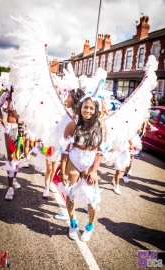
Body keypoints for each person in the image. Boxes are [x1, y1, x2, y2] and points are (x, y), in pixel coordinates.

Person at [59, 96, 107, 241]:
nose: (88, 110)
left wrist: (94, 171)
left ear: (96, 110)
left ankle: (90, 227)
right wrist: (62, 172)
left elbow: (100, 151)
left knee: (92, 199)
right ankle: (73, 223)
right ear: (80, 108)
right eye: (85, 107)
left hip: (89, 164)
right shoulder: (72, 125)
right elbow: (65, 150)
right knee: (71, 194)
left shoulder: (101, 126)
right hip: (73, 161)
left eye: (91, 108)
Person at [43, 88, 85, 199]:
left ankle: (70, 210)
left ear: (75, 99)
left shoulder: (78, 118)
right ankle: (47, 187)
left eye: (69, 97)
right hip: (56, 146)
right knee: (51, 170)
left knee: (68, 182)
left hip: (70, 155)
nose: (67, 99)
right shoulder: (65, 113)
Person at [0, 86, 22, 200]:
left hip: (22, 129)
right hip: (11, 128)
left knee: (18, 156)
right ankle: (10, 188)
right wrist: (2, 118)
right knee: (11, 157)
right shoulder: (7, 94)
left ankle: (13, 179)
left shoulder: (27, 95)